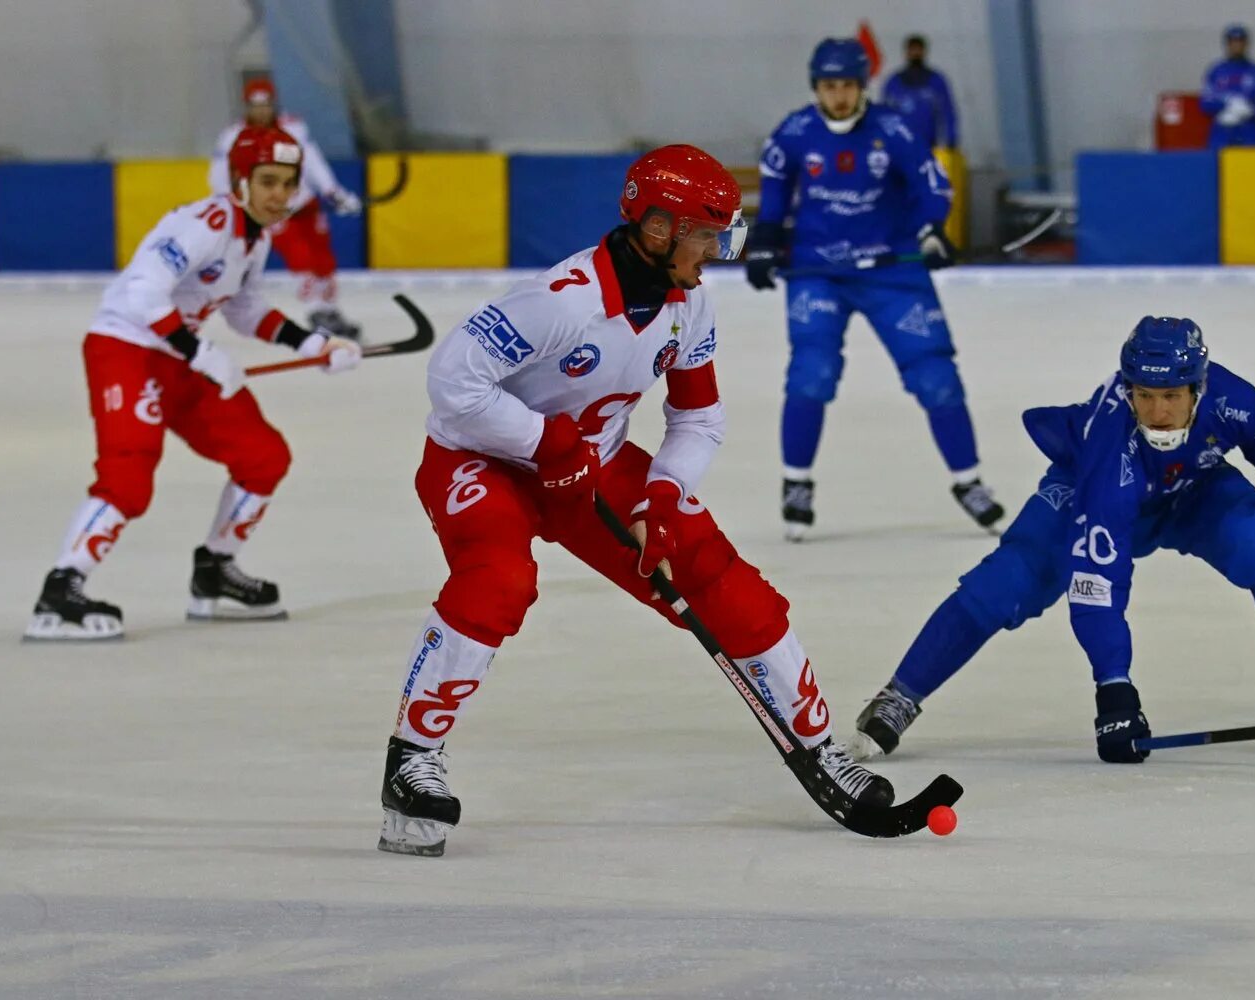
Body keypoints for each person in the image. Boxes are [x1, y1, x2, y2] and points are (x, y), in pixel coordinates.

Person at [376, 145, 892, 858]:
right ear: (657, 229)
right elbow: (453, 384)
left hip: (596, 467)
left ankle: (819, 746)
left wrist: (665, 495)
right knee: (498, 580)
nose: (716, 251)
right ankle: (411, 762)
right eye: (706, 234)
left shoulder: (690, 303)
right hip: (483, 460)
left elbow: (699, 418)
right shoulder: (560, 302)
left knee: (723, 584)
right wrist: (543, 442)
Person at [848, 317, 1255, 762]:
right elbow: (1097, 582)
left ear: (1199, 389)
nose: (1157, 411)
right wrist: (1114, 690)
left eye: (1171, 397)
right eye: (1144, 395)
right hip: (1090, 491)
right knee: (1003, 584)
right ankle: (900, 696)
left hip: (1191, 488)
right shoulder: (1109, 445)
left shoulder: (1232, 399)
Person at [24, 126, 363, 641]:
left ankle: (215, 572)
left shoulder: (257, 235)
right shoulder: (204, 224)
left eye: (288, 183)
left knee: (263, 455)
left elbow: (247, 309)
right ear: (239, 179)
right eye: (267, 181)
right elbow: (142, 292)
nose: (279, 195)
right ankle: (61, 590)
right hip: (126, 349)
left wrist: (313, 345)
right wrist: (199, 352)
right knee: (129, 473)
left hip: (177, 354)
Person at [747, 38, 1001, 541]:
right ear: (815, 87)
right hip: (818, 270)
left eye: (846, 85)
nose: (838, 96)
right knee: (811, 374)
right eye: (828, 86)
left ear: (862, 85)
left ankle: (968, 481)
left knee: (936, 377)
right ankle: (796, 483)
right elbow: (773, 199)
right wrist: (762, 245)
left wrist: (931, 230)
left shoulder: (895, 129)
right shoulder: (793, 134)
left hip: (893, 270)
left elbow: (933, 187)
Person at [209, 77, 364, 338]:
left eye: (266, 104)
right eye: (255, 105)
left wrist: (332, 191)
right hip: (269, 209)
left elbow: (313, 162)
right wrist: (235, 204)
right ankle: (316, 311)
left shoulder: (294, 127)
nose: (261, 111)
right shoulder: (232, 136)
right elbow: (219, 175)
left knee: (323, 258)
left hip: (303, 202)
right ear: (246, 106)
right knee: (299, 257)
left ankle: (329, 309)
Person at [1199, 24, 1255, 147]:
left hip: (1249, 130)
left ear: (1246, 44)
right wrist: (1225, 106)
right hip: (1222, 130)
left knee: (1250, 164)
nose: (1237, 45)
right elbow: (1205, 103)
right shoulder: (1216, 71)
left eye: (1240, 41)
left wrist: (1251, 111)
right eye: (1233, 42)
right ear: (1227, 44)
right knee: (1218, 162)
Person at [881, 35, 958, 150]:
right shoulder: (894, 82)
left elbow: (947, 111)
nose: (915, 53)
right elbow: (885, 114)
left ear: (924, 52)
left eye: (918, 49)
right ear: (906, 52)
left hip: (929, 143)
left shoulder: (936, 81)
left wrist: (951, 139)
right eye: (912, 50)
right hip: (901, 145)